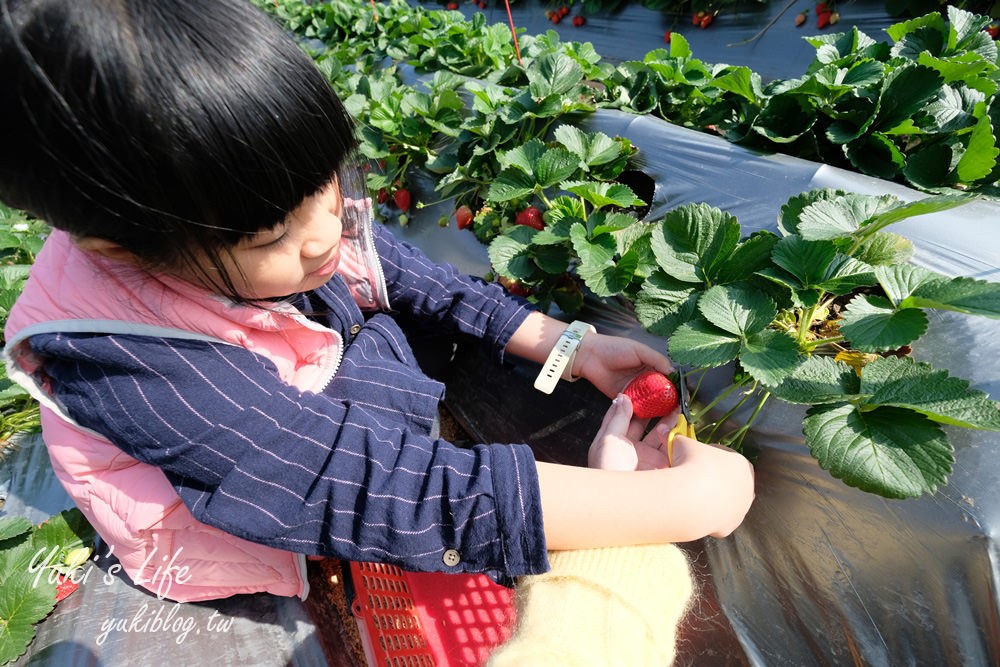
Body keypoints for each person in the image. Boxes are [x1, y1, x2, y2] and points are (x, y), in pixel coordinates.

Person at [0, 0, 754, 608]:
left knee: (408, 318)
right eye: (274, 232)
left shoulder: (251, 227)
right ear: (124, 250)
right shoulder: (118, 358)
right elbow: (353, 483)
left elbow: (405, 271)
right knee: (391, 471)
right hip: (254, 509)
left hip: (304, 394)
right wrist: (676, 504)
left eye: (328, 182)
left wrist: (571, 344)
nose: (328, 232)